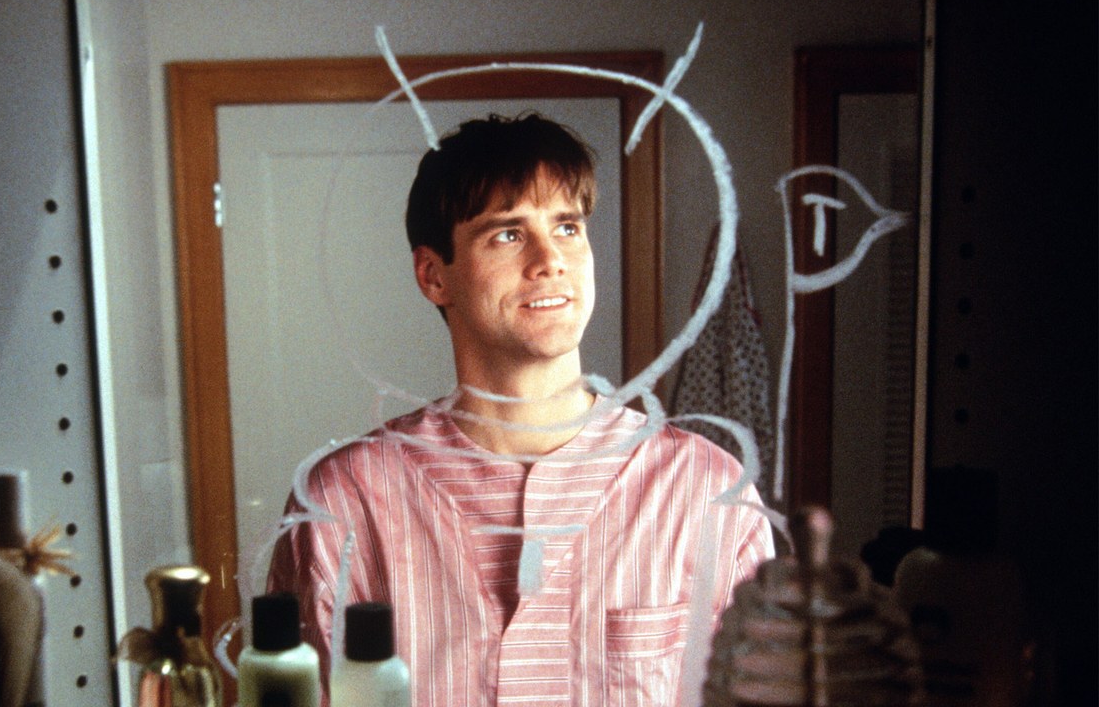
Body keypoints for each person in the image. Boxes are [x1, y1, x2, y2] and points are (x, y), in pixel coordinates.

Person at [267, 113, 774, 706]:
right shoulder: (342, 502)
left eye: (567, 227)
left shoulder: (707, 491)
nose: (550, 259)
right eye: (508, 234)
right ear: (433, 276)